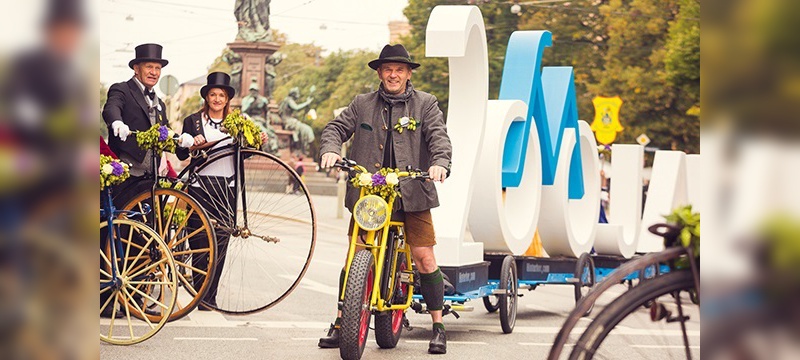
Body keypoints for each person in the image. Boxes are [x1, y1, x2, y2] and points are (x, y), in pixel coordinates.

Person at [317, 44, 452, 354]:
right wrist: (329, 148)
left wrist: (439, 163)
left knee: (424, 257)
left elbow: (439, 138)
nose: (394, 74)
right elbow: (336, 128)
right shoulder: (361, 104)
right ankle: (342, 322)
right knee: (355, 256)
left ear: (408, 73)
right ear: (379, 72)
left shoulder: (426, 104)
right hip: (370, 193)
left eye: (400, 69)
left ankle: (438, 325)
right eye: (388, 69)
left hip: (413, 190)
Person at [175, 72, 267, 309]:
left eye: (222, 96)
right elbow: (181, 154)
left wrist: (258, 141)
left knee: (221, 243)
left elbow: (246, 153)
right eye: (213, 95)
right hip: (199, 187)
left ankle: (210, 297)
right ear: (207, 97)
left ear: (227, 100)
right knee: (199, 242)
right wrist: (189, 142)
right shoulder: (193, 121)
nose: (217, 99)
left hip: (226, 187)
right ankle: (200, 293)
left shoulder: (238, 122)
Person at [101, 43, 194, 206]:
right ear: (136, 68)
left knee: (147, 228)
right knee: (125, 226)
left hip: (151, 179)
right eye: (149, 67)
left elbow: (165, 133)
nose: (154, 72)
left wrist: (181, 142)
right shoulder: (122, 89)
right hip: (126, 177)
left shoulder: (160, 104)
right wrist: (117, 121)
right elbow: (112, 107)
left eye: (158, 68)